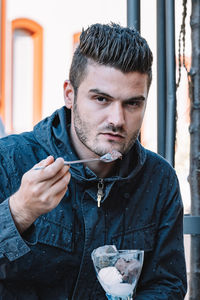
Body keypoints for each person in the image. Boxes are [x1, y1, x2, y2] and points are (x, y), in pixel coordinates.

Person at [0, 23, 187, 299]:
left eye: (132, 104)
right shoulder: (9, 159)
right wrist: (19, 212)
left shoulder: (159, 179)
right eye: (101, 99)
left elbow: (167, 284)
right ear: (69, 94)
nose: (117, 119)